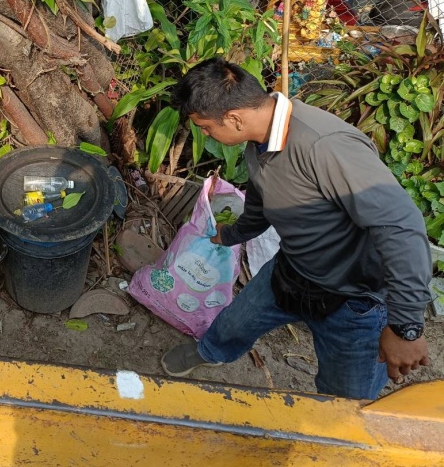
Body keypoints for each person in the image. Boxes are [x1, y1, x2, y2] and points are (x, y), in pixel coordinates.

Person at [160, 58, 432, 399]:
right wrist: (231, 235)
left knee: (343, 401)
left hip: (352, 300)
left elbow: (402, 227)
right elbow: (262, 200)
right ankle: (212, 351)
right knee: (234, 324)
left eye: (204, 127)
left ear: (234, 118)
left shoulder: (325, 145)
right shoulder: (258, 142)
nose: (204, 134)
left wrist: (405, 326)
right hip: (290, 271)